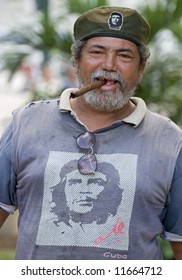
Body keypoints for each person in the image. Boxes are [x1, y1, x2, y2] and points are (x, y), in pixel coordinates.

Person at [0, 6, 182, 260]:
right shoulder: (26, 123)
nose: (109, 65)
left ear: (141, 69)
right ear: (76, 61)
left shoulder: (171, 140)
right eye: (97, 52)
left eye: (124, 56)